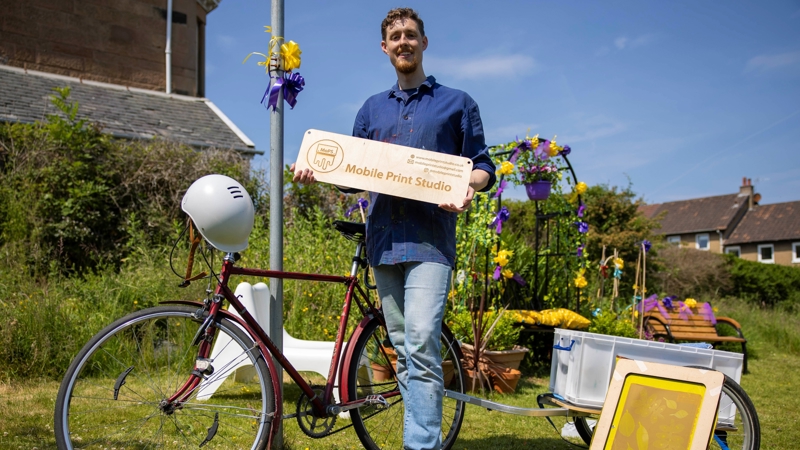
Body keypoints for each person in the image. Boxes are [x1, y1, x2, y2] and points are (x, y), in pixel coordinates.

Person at [292, 7, 495, 449]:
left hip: (431, 244)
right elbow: (353, 172)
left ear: (424, 42)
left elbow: (482, 167)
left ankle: (418, 445)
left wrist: (467, 188)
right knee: (404, 352)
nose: (403, 42)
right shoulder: (371, 110)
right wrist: (315, 169)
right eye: (395, 37)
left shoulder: (457, 103)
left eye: (410, 34)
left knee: (421, 344)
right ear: (385, 48)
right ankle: (422, 437)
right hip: (383, 244)